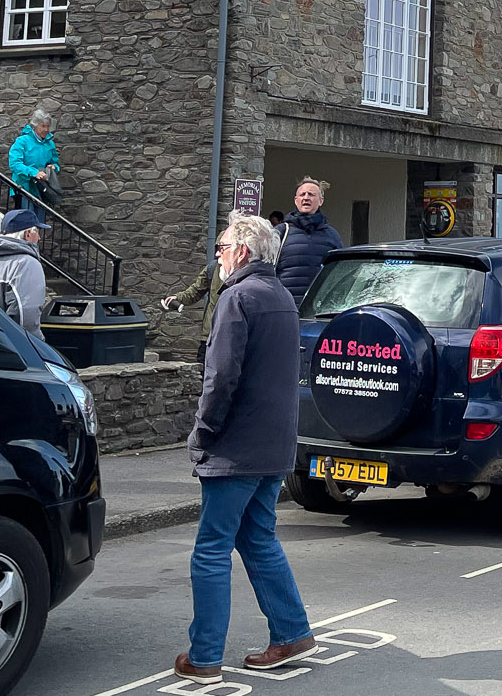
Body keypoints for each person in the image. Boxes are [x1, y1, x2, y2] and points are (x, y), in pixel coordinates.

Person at [174, 213, 315, 680]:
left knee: (211, 548)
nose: (216, 254)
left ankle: (205, 657)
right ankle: (292, 632)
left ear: (242, 251)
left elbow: (221, 378)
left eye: (221, 246)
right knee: (258, 539)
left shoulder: (237, 298)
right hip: (274, 444)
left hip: (236, 446)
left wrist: (203, 432)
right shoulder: (282, 298)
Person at [0, 209, 50, 342]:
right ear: (28, 233)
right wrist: (36, 345)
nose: (40, 238)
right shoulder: (26, 263)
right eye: (38, 232)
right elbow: (26, 313)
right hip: (12, 345)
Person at [274, 177, 342, 305]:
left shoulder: (332, 235)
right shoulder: (281, 232)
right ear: (296, 200)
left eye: (311, 194)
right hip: (285, 307)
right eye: (302, 194)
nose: (306, 198)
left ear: (321, 201)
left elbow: (338, 276)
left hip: (318, 309)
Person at [163, 259, 225, 364]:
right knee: (204, 371)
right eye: (219, 248)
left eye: (223, 248)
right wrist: (179, 298)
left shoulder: (248, 272)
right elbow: (196, 290)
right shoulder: (213, 267)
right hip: (210, 335)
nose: (219, 253)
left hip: (234, 336)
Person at [7, 107, 62, 212]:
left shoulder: (50, 144)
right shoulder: (22, 141)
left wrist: (54, 167)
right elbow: (14, 164)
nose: (46, 130)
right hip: (23, 187)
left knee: (40, 221)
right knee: (26, 221)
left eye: (48, 126)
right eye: (43, 126)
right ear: (35, 126)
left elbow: (54, 162)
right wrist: (34, 173)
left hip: (42, 188)